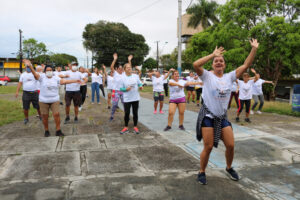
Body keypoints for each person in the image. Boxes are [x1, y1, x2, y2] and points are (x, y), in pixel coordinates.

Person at [193, 39, 259, 185]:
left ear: (224, 64)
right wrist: (212, 54)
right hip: (208, 115)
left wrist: (253, 49)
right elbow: (196, 64)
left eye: (221, 61)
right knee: (208, 146)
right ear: (212, 64)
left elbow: (246, 65)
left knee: (230, 145)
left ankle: (229, 168)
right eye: (216, 61)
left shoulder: (230, 77)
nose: (218, 62)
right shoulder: (207, 76)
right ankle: (202, 172)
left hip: (222, 117)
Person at [23, 59, 81, 137]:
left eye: (50, 70)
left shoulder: (55, 77)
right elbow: (35, 75)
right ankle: (46, 130)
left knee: (56, 114)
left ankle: (58, 130)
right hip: (43, 101)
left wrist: (75, 81)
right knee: (45, 116)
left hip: (54, 100)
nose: (49, 72)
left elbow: (64, 81)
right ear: (45, 71)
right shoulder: (42, 77)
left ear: (52, 71)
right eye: (47, 70)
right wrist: (30, 66)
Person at [119, 62, 143, 134]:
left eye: (130, 67)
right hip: (127, 98)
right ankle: (126, 127)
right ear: (124, 69)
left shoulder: (135, 76)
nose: (129, 68)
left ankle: (135, 126)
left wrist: (141, 86)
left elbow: (139, 83)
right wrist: (126, 89)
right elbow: (120, 88)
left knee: (135, 113)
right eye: (127, 67)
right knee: (127, 113)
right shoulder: (122, 78)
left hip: (135, 98)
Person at [109, 53, 129, 121]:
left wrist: (129, 60)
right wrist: (114, 59)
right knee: (114, 104)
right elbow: (111, 67)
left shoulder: (124, 74)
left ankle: (127, 116)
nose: (120, 70)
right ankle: (111, 116)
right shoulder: (115, 73)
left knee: (125, 105)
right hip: (116, 92)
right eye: (119, 69)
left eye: (121, 69)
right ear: (117, 69)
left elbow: (129, 68)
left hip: (123, 92)